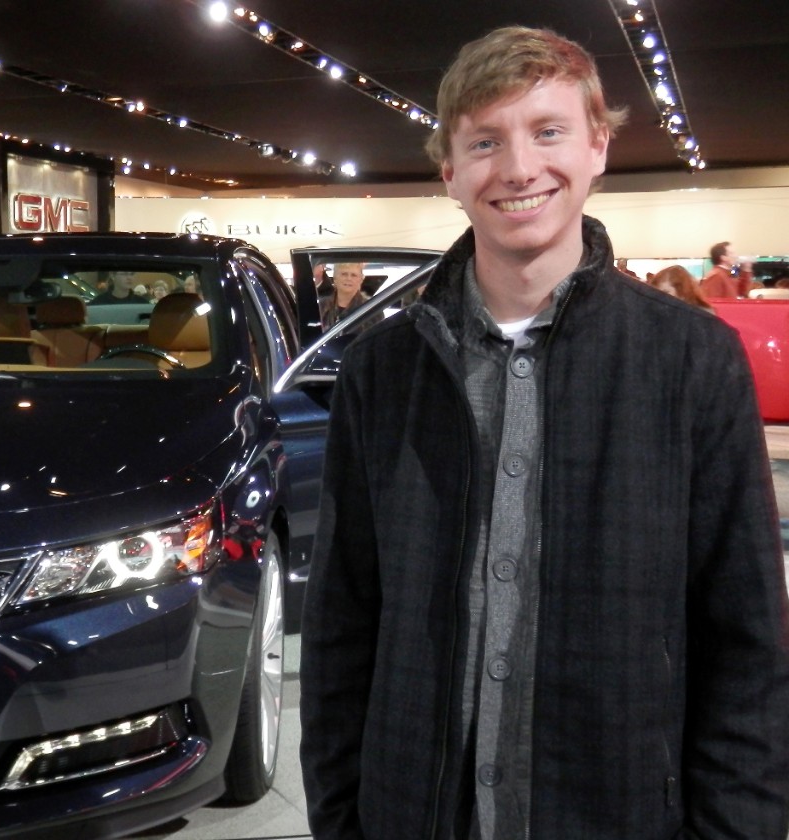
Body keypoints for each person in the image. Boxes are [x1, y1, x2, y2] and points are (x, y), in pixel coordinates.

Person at [300, 26, 789, 840]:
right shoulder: (382, 371)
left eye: (549, 131)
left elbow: (748, 647)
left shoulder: (691, 363)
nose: (520, 168)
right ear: (450, 171)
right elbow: (343, 627)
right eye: (485, 141)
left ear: (598, 145)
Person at [318, 262, 367, 328]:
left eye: (353, 275)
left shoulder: (371, 307)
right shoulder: (320, 306)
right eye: (344, 274)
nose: (349, 278)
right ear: (335, 278)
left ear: (361, 280)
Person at [649, 264, 713, 311]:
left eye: (665, 292)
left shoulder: (702, 314)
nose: (659, 297)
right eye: (657, 293)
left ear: (681, 290)